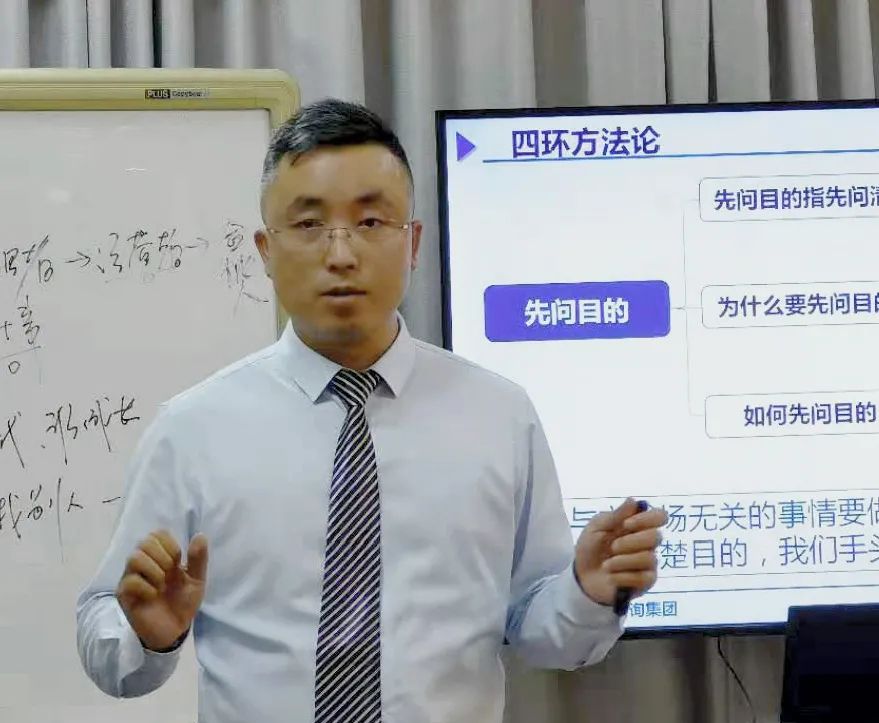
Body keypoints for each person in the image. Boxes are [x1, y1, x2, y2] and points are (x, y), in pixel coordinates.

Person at [76, 98, 668, 723]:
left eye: (370, 221)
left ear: (412, 243)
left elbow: (540, 629)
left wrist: (586, 594)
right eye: (309, 225)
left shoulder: (499, 416)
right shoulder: (192, 430)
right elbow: (101, 625)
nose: (341, 254)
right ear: (265, 250)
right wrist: (148, 635)